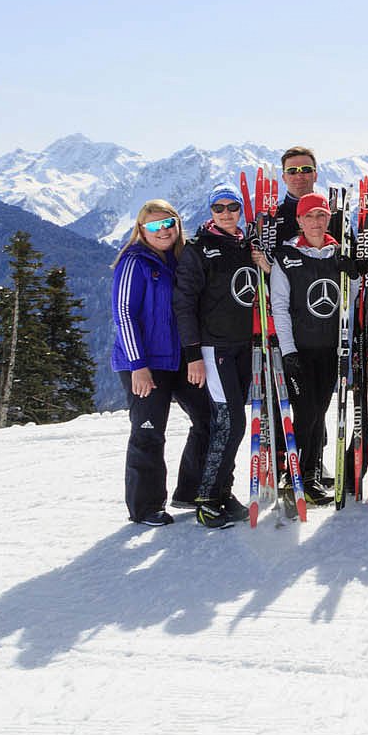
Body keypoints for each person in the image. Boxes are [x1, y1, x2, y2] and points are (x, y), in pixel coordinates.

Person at [172, 183, 266, 527]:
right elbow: (184, 305)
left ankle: (222, 491)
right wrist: (193, 355)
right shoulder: (198, 249)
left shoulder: (246, 245)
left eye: (233, 207)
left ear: (241, 210)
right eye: (219, 208)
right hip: (214, 349)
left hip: (243, 346)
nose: (226, 213)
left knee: (231, 423)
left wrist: (263, 264)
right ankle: (208, 497)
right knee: (231, 423)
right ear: (210, 212)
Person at [111, 200, 208, 527]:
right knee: (149, 431)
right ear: (141, 229)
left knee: (208, 418)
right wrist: (137, 365)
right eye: (154, 226)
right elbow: (124, 314)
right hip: (145, 363)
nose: (163, 230)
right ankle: (145, 507)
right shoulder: (134, 262)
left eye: (169, 223)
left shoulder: (181, 259)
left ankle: (192, 490)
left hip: (179, 359)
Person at [269, 191, 358, 506]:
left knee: (319, 412)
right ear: (299, 220)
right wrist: (288, 351)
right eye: (309, 216)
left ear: (329, 218)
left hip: (330, 349)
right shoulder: (286, 256)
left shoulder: (339, 252)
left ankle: (310, 473)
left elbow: (348, 298)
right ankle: (300, 475)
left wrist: (353, 274)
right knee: (306, 413)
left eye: (321, 215)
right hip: (300, 350)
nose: (316, 222)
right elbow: (279, 307)